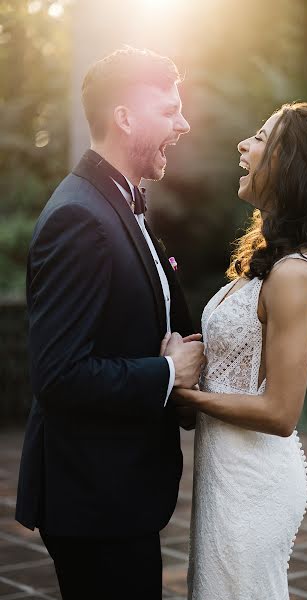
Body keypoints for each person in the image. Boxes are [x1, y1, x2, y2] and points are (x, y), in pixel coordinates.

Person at [15, 47, 205, 600]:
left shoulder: (119, 204)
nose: (183, 123)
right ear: (125, 118)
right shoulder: (81, 217)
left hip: (117, 495)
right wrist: (166, 373)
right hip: (94, 501)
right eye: (169, 110)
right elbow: (58, 376)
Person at [173, 102, 307, 599]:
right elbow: (241, 360)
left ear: (289, 163)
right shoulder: (272, 261)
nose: (243, 145)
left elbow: (281, 412)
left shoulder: (295, 273)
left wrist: (182, 393)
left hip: (252, 486)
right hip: (224, 476)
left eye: (259, 137)